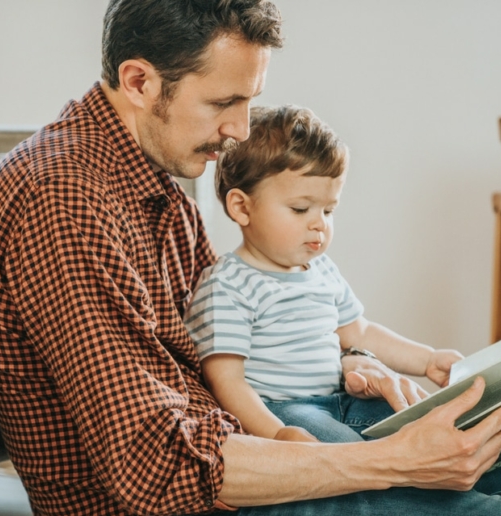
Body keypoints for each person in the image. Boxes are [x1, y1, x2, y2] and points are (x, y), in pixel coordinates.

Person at [0, 1, 501, 516]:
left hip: (250, 452)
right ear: (140, 80)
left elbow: (235, 344)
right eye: (226, 102)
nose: (242, 130)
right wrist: (391, 461)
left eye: (250, 99)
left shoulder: (145, 182)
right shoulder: (65, 200)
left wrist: (362, 372)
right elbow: (154, 465)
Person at [184, 104, 463, 444]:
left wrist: (427, 359)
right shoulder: (228, 286)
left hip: (339, 400)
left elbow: (359, 332)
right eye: (301, 209)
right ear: (242, 207)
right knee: (350, 455)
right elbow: (226, 381)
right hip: (285, 411)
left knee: (425, 424)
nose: (320, 224)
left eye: (329, 210)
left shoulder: (322, 270)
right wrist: (277, 432)